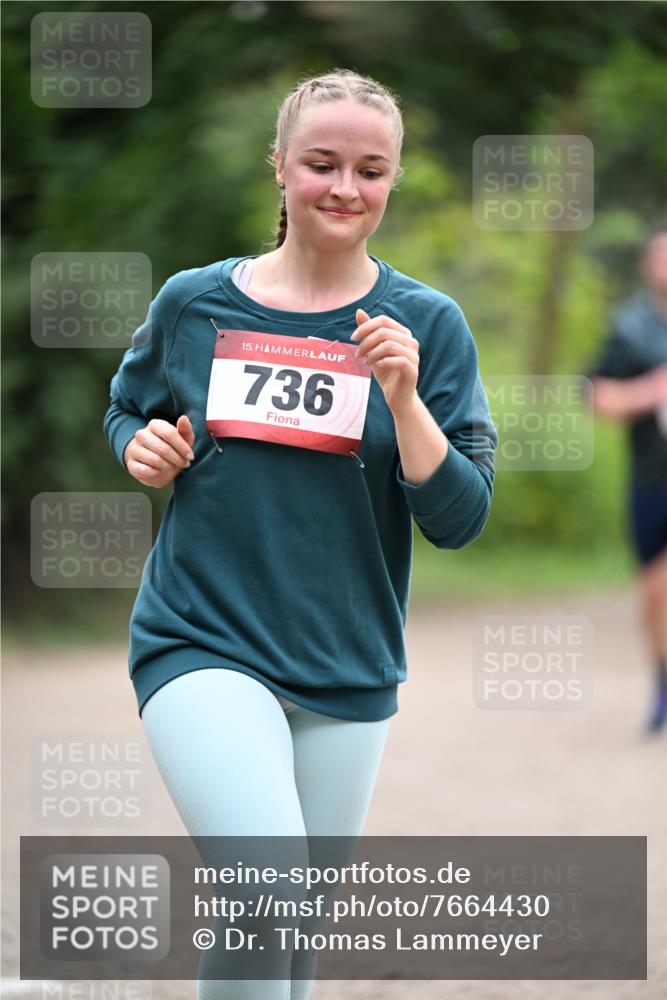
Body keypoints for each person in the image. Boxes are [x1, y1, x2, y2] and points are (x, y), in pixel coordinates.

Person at [103, 68, 498, 998]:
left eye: (370, 170)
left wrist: (403, 399)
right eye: (321, 163)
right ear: (279, 167)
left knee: (291, 941)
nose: (344, 189)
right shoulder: (194, 303)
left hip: (346, 664)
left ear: (392, 179)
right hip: (201, 638)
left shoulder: (428, 326)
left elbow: (461, 518)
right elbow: (128, 408)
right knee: (265, 882)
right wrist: (142, 449)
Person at [586, 226, 667, 734]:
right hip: (653, 480)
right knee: (653, 596)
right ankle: (662, 683)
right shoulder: (631, 328)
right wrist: (651, 390)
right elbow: (597, 396)